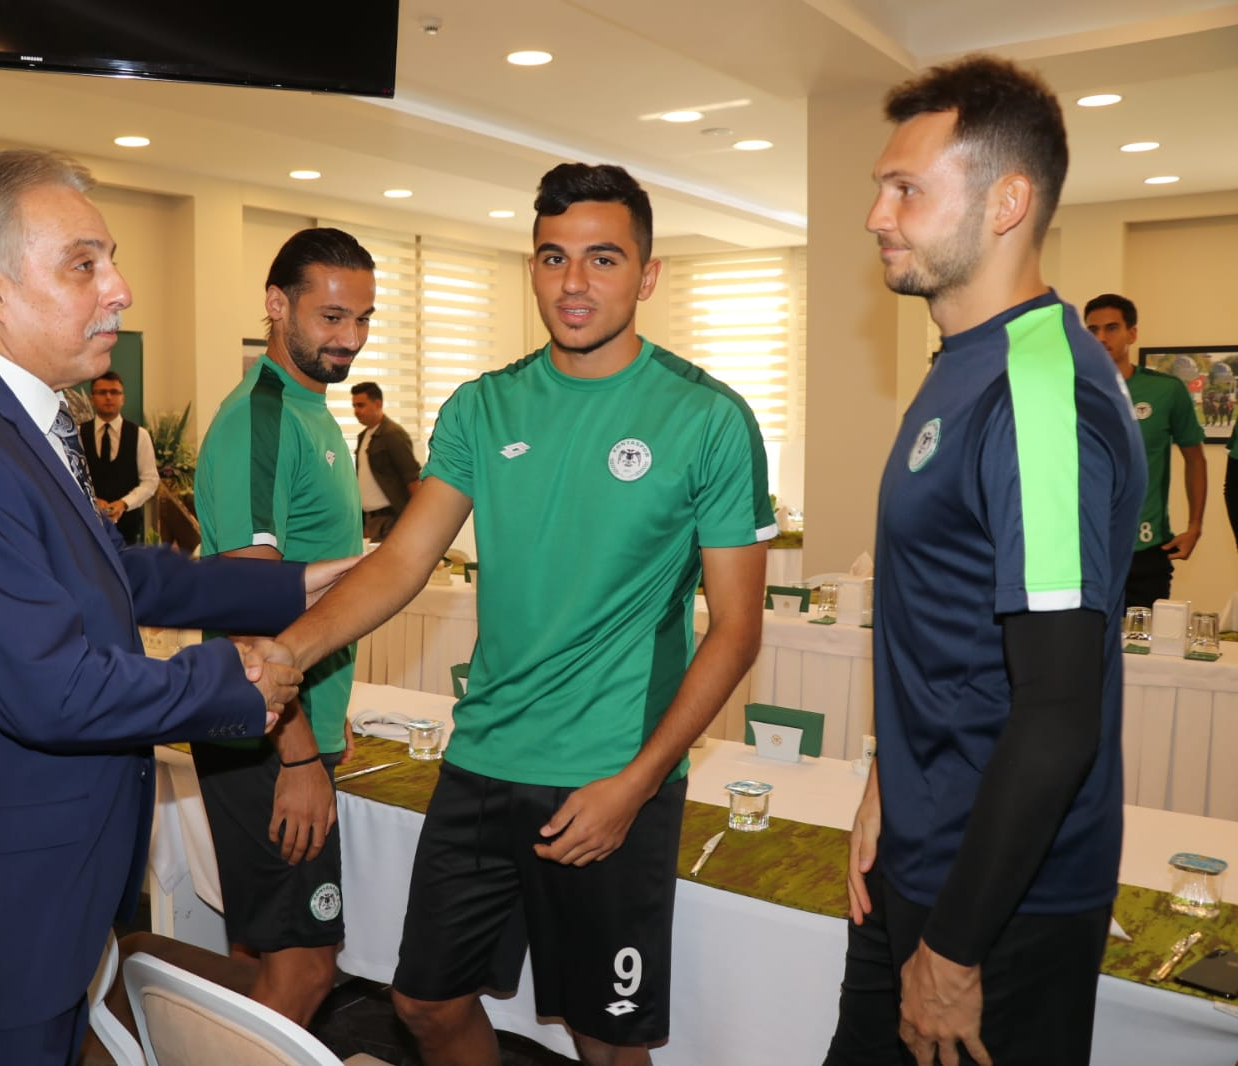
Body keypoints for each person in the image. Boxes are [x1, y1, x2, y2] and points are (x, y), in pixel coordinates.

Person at [0, 149, 353, 1066]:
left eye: (111, 262)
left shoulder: (10, 419)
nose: (120, 290)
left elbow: (115, 574)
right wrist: (238, 679)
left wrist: (297, 581)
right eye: (84, 265)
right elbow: (52, 690)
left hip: (33, 910)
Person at [277, 163, 774, 1066]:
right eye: (552, 258)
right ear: (532, 268)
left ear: (647, 275)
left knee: (605, 1041)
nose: (573, 283)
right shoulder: (483, 406)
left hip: (609, 774)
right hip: (481, 763)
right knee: (424, 1003)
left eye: (602, 259)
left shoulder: (707, 418)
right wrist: (287, 653)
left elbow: (737, 631)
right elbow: (400, 563)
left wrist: (636, 785)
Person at [825, 57, 1145, 1066]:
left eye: (906, 190)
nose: (875, 216)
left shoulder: (1038, 394)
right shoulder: (965, 363)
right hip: (924, 852)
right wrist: (886, 782)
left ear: (1006, 203)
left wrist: (956, 947)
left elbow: (1056, 711)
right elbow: (945, 622)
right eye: (881, 187)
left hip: (999, 901)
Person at [190, 227, 375, 1026]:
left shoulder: (311, 410)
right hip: (265, 734)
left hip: (283, 721)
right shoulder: (259, 418)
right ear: (276, 304)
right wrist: (298, 754)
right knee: (303, 969)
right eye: (331, 317)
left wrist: (326, 716)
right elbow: (248, 609)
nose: (349, 338)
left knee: (264, 955)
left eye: (361, 319)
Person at [1082, 293, 1206, 607]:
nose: (1101, 337)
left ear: (1132, 333)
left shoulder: (1166, 390)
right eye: (1093, 330)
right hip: (1082, 549)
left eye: (1111, 328)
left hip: (1146, 551)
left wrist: (1194, 527)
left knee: (1143, 637)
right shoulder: (1069, 391)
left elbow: (1195, 459)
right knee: (1084, 639)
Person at [81, 369, 160, 543]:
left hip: (128, 529)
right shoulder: (78, 434)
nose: (108, 397)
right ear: (92, 398)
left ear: (123, 398)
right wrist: (92, 500)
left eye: (114, 392)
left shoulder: (140, 435)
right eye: (102, 392)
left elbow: (150, 481)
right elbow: (72, 478)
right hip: (87, 526)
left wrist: (124, 503)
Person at [351, 381, 422, 540]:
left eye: (361, 405)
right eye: (354, 406)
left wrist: (417, 520)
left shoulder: (392, 434)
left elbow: (412, 477)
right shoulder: (363, 437)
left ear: (377, 404)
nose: (356, 411)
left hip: (392, 520)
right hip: (372, 521)